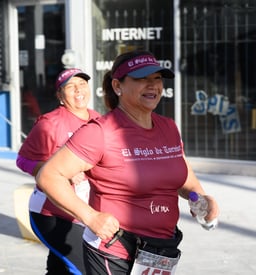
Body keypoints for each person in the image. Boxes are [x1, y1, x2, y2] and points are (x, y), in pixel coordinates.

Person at [36, 50, 220, 274]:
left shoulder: (169, 127)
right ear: (117, 86)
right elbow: (49, 176)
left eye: (157, 79)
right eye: (142, 79)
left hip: (160, 252)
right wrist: (91, 217)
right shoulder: (100, 132)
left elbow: (180, 171)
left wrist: (200, 197)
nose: (152, 85)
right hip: (114, 251)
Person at [16, 68, 100, 275]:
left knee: (60, 269)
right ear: (60, 96)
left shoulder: (98, 119)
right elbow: (23, 160)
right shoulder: (50, 123)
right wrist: (62, 172)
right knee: (86, 269)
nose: (78, 90)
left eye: (82, 84)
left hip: (84, 212)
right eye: (71, 87)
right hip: (51, 213)